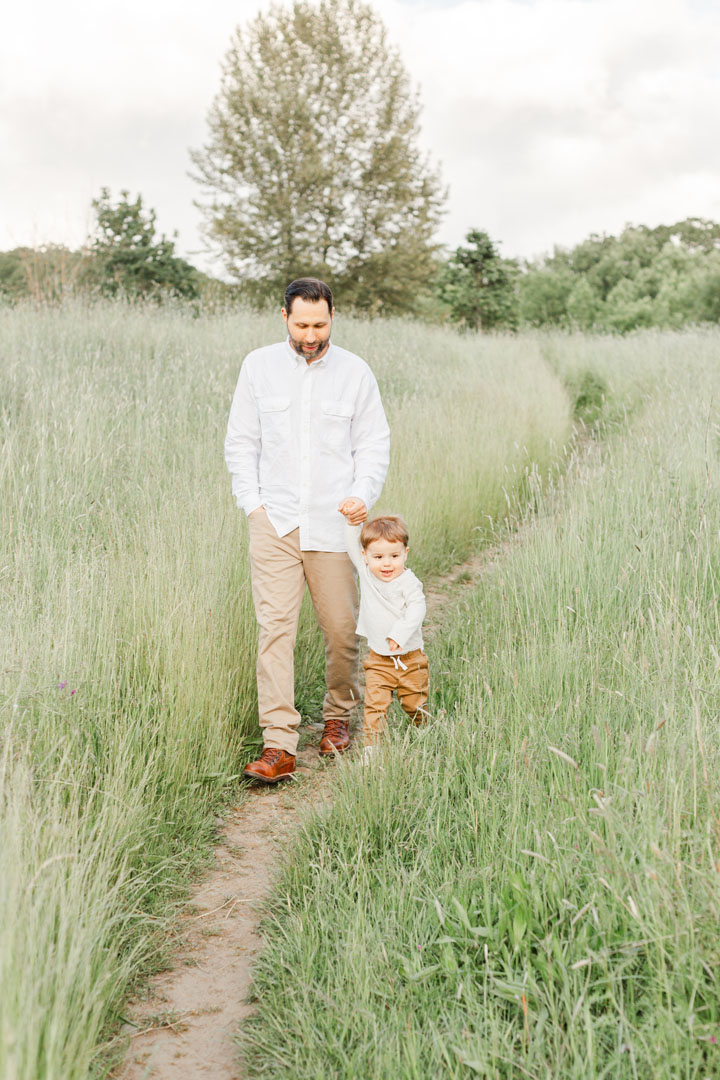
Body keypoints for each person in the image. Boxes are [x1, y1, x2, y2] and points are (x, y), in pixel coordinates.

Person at [225, 277, 390, 784]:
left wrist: (363, 494)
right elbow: (241, 443)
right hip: (273, 522)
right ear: (284, 318)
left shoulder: (355, 373)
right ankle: (279, 744)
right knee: (274, 631)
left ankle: (338, 717)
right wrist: (253, 506)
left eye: (320, 324)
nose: (311, 335)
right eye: (302, 325)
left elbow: (373, 445)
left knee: (341, 630)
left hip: (333, 525)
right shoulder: (258, 366)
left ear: (332, 317)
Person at [339, 511, 429, 758]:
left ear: (405, 554)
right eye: (378, 557)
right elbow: (351, 544)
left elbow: (418, 607)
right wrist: (351, 524)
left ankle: (424, 732)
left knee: (415, 704)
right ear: (365, 557)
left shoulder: (409, 582)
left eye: (394, 556)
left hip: (410, 659)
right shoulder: (367, 576)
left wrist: (399, 634)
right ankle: (371, 749)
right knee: (375, 706)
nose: (386, 564)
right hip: (379, 660)